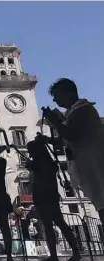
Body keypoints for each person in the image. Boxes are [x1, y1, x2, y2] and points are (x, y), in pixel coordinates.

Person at [43, 78, 104, 224]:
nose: (55, 100)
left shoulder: (81, 110)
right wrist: (49, 140)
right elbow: (69, 139)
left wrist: (55, 121)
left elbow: (72, 135)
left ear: (69, 93)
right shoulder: (75, 112)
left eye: (57, 95)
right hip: (89, 165)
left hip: (94, 165)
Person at [26, 137, 82, 261]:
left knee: (49, 227)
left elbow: (37, 179)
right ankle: (75, 252)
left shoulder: (38, 164)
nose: (29, 154)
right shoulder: (49, 162)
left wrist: (31, 167)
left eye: (30, 151)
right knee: (61, 225)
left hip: (43, 197)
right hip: (51, 197)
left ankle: (54, 256)